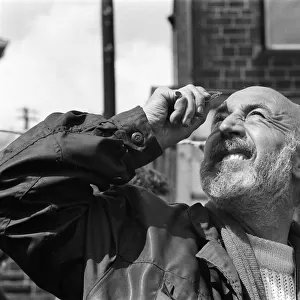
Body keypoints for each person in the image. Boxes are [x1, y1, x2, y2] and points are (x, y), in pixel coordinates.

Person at [0, 84, 299, 300]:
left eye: (257, 115)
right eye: (219, 118)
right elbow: (15, 192)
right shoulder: (137, 237)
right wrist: (141, 131)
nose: (227, 126)